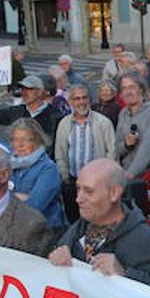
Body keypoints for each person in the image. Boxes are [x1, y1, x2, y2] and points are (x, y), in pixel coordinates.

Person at [48, 158, 150, 295]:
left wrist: (125, 274)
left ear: (114, 193)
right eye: (78, 189)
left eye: (89, 191)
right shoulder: (79, 227)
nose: (78, 199)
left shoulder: (142, 237)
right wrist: (56, 255)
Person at [54, 84, 116, 222]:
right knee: (74, 221)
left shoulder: (103, 123)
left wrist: (105, 179)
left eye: (84, 98)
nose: (81, 102)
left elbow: (112, 153)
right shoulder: (63, 124)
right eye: (77, 99)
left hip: (96, 184)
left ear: (90, 100)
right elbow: (60, 153)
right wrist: (64, 178)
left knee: (96, 221)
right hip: (72, 182)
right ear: (70, 101)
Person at [7, 118, 66, 231]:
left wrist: (9, 198)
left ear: (37, 140)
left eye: (26, 140)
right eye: (16, 139)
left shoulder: (48, 168)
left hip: (45, 230)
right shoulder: (8, 165)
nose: (20, 145)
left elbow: (35, 205)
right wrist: (20, 197)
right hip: (16, 229)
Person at [114, 75, 150, 181]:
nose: (128, 92)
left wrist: (130, 174)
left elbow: (148, 148)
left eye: (132, 87)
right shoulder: (123, 113)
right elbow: (116, 149)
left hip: (149, 176)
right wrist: (126, 145)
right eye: (124, 88)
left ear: (141, 89)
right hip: (125, 173)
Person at [0, 75, 60, 155]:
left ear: (39, 92)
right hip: (18, 163)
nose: (24, 92)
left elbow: (59, 146)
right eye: (22, 89)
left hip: (42, 164)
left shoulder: (55, 116)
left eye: (29, 89)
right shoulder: (16, 111)